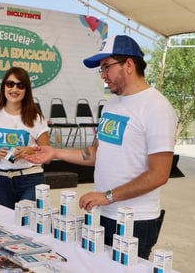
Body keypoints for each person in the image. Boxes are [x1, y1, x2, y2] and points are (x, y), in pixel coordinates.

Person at [26, 35, 177, 260]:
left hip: (135, 221)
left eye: (107, 67)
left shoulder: (156, 107)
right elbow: (97, 153)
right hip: (103, 212)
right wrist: (55, 152)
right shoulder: (111, 105)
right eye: (101, 69)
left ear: (129, 64)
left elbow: (159, 174)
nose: (103, 75)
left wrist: (108, 196)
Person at [0, 67, 50, 209]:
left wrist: (28, 151)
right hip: (2, 181)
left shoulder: (36, 118)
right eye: (10, 84)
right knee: (6, 227)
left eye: (20, 85)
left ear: (26, 90)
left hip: (31, 180)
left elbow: (47, 156)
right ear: (3, 86)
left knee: (28, 226)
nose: (14, 89)